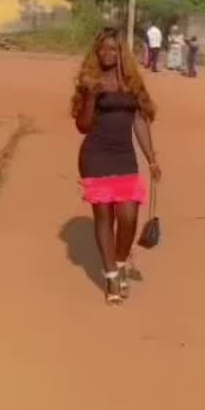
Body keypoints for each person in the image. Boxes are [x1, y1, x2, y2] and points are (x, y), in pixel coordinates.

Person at [72, 27, 161, 305]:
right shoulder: (90, 81)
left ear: (122, 52)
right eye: (102, 49)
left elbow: (140, 121)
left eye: (112, 49)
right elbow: (83, 126)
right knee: (103, 217)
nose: (106, 54)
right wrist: (90, 96)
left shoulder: (132, 82)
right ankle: (111, 275)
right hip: (96, 156)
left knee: (128, 217)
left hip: (124, 157)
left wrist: (151, 158)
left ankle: (120, 262)